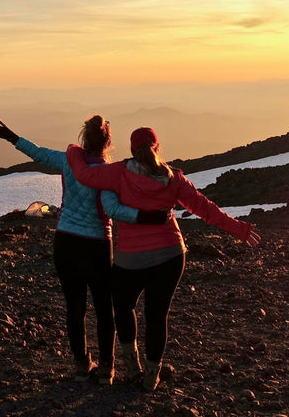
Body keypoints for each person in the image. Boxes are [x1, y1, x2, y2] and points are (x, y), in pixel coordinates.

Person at [65, 126, 260, 391]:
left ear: (132, 149)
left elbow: (84, 174)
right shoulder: (174, 178)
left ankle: (132, 367)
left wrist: (73, 150)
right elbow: (205, 209)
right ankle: (151, 377)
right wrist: (238, 228)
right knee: (157, 315)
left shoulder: (118, 173)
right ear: (157, 147)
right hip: (170, 255)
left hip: (131, 258)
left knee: (123, 307)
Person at [0, 116, 169, 385]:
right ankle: (107, 370)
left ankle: (81, 366)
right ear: (108, 142)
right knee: (105, 309)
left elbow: (38, 153)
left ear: (84, 138)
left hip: (66, 241)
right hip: (96, 244)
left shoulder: (69, 160)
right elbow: (114, 209)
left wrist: (10, 136)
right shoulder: (108, 172)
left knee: (75, 308)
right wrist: (152, 216)